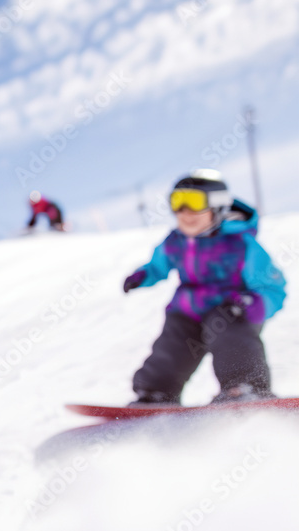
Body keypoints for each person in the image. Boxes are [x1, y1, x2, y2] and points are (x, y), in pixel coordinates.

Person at [123, 169, 286, 406]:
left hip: (231, 309)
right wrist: (143, 276)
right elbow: (159, 265)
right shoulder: (175, 241)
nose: (185, 212)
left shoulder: (242, 245)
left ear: (217, 207)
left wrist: (254, 303)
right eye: (178, 203)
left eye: (194, 202)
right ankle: (156, 393)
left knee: (231, 338)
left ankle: (245, 387)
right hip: (187, 311)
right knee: (171, 348)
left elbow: (273, 286)